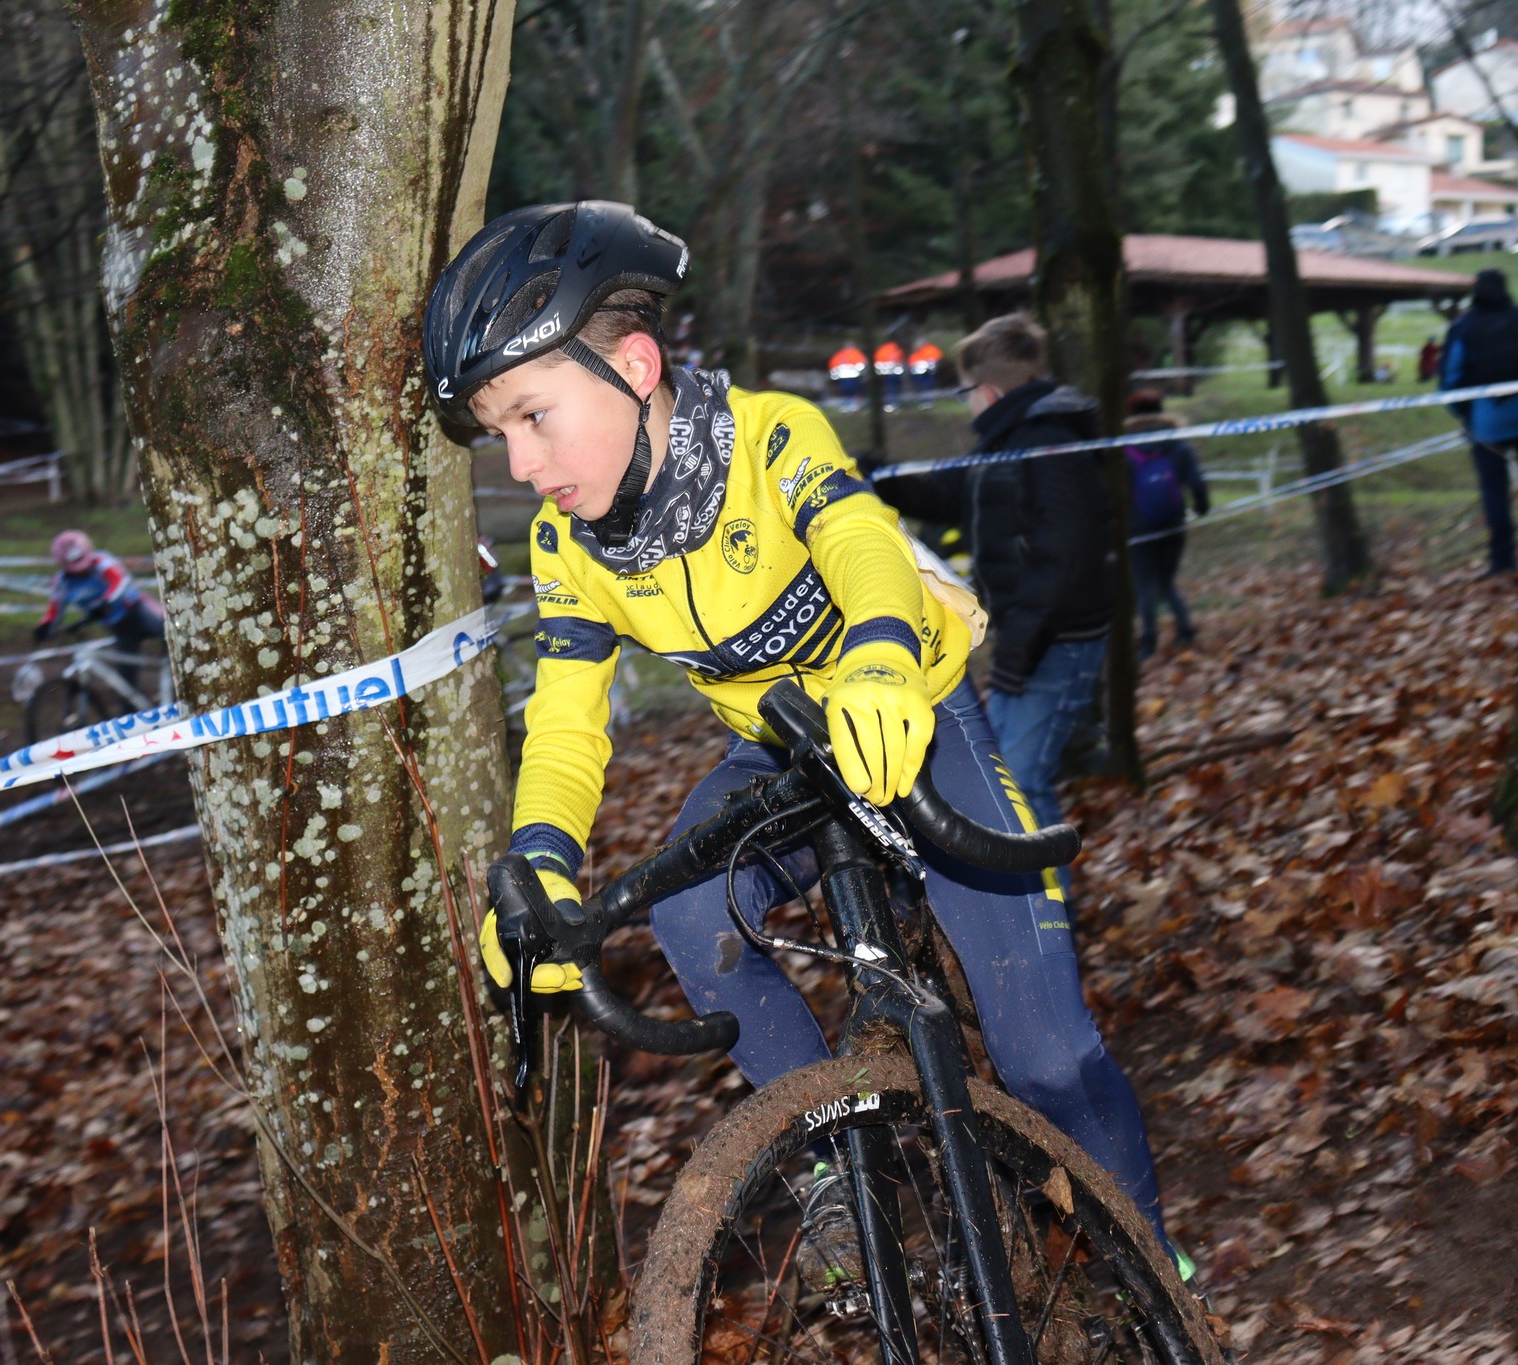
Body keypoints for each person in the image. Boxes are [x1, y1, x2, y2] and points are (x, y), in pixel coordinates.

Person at [429, 203, 1195, 1287]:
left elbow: (859, 540)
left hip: (912, 721)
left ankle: (1152, 1273)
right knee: (689, 910)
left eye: (532, 416)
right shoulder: (569, 541)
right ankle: (842, 1159)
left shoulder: (770, 435)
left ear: (634, 365)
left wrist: (881, 657)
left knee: (1045, 1057)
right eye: (496, 431)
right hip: (782, 752)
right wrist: (543, 855)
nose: (518, 461)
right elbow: (564, 711)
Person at [866, 314, 1113, 856]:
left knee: (1021, 787)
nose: (966, 401)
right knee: (1001, 784)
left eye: (966, 389)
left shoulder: (1047, 443)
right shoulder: (1004, 442)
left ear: (988, 387)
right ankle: (1023, 910)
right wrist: (880, 475)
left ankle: (1050, 919)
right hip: (1033, 639)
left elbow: (1062, 556)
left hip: (1057, 641)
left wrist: (1021, 645)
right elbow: (950, 495)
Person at [1440, 268, 1518, 575]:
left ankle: (1503, 561)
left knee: (1495, 491)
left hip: (1485, 423)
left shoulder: (1462, 328)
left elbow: (1449, 379)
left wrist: (1464, 414)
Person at [1123, 390, 1211, 659]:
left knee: (1144, 584)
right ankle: (1185, 630)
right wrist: (1201, 507)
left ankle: (1148, 643)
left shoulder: (1124, 447)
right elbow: (1196, 481)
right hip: (1173, 522)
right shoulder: (1177, 443)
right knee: (1166, 581)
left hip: (1138, 526)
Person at [35, 530, 165, 683]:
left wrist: (106, 601)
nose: (80, 569)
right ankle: (129, 707)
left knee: (170, 634)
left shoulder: (101, 561)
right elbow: (55, 608)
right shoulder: (62, 582)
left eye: (82, 561)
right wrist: (45, 626)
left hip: (138, 611)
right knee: (126, 677)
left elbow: (119, 580)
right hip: (119, 626)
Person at [907, 339, 943, 406]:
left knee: (928, 386)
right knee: (920, 386)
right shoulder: (915, 353)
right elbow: (912, 362)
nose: (918, 347)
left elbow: (937, 358)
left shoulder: (931, 350)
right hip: (918, 373)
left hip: (929, 372)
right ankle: (923, 401)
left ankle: (929, 401)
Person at [872, 338, 905, 408]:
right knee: (893, 388)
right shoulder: (896, 349)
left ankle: (890, 403)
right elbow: (900, 358)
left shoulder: (881, 350)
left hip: (884, 373)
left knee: (888, 388)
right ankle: (893, 403)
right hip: (893, 373)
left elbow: (876, 359)